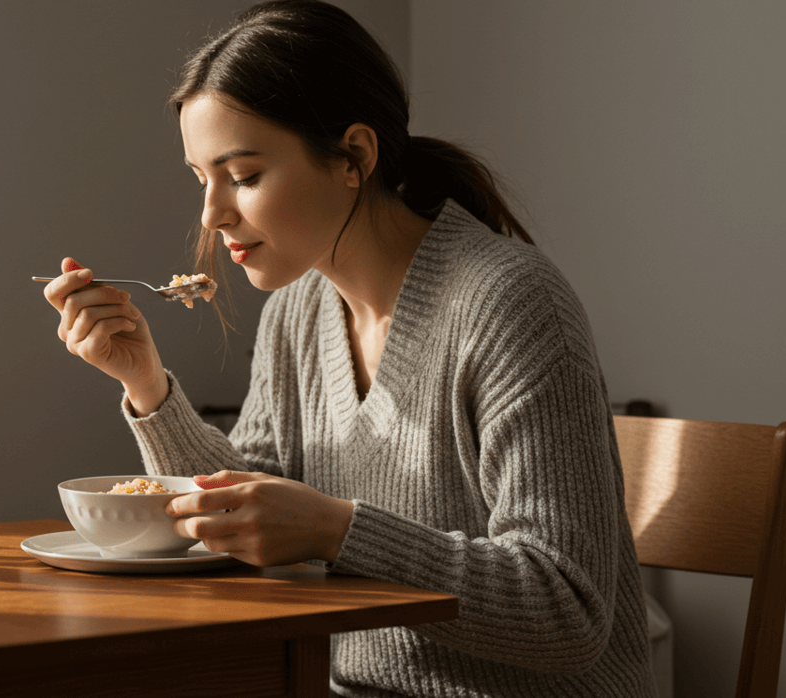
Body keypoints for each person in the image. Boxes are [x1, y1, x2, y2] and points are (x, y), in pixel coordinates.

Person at [41, 1, 655, 696]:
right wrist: (146, 384)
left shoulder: (510, 304)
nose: (212, 216)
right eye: (200, 179)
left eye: (242, 176)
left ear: (354, 157)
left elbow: (565, 611)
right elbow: (248, 520)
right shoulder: (297, 312)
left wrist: (337, 533)